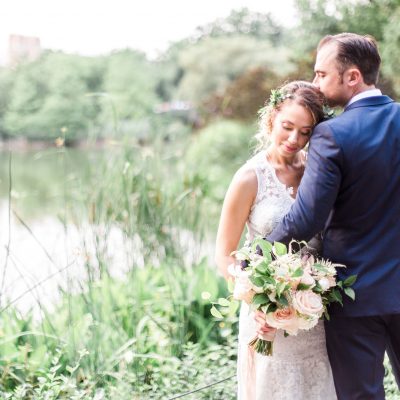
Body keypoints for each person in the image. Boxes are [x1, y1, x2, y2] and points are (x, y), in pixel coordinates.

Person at [265, 33, 400, 399]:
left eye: (322, 74)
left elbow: (307, 218)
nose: (315, 84)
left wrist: (258, 256)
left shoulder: (331, 135)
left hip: (356, 298)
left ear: (352, 76)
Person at [215, 81, 337, 399]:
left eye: (306, 132)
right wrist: (259, 300)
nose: (294, 140)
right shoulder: (249, 178)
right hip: (267, 318)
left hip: (316, 316)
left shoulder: (318, 172)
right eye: (287, 127)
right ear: (271, 119)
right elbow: (225, 255)